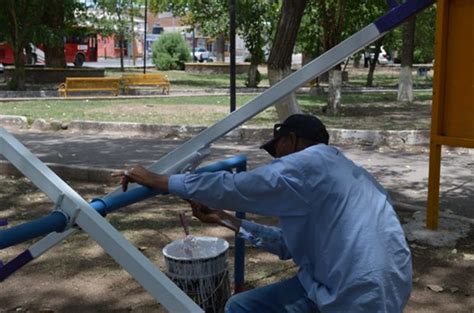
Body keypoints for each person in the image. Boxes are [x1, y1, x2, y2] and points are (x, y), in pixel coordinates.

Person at [113, 114, 412, 313]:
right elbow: (287, 246)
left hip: (353, 295)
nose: (275, 158)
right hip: (384, 284)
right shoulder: (343, 173)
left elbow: (235, 187)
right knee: (243, 305)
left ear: (291, 141)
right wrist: (223, 218)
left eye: (275, 149)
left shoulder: (309, 165)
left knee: (240, 309)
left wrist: (160, 180)